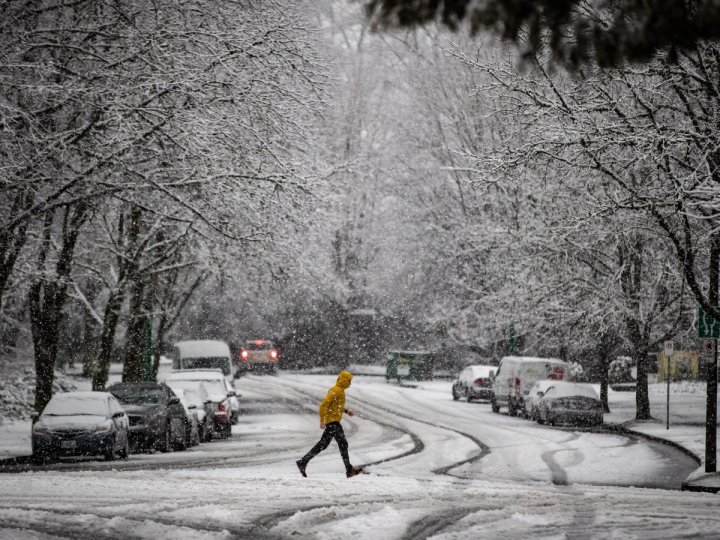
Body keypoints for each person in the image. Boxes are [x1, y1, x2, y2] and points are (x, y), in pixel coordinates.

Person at [296, 371, 363, 478]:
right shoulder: (335, 391)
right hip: (332, 422)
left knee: (326, 444)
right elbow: (323, 405)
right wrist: (322, 420)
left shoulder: (340, 391)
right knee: (339, 444)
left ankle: (303, 462)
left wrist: (346, 411)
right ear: (344, 380)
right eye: (349, 381)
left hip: (334, 422)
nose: (350, 384)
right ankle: (349, 470)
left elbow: (336, 405)